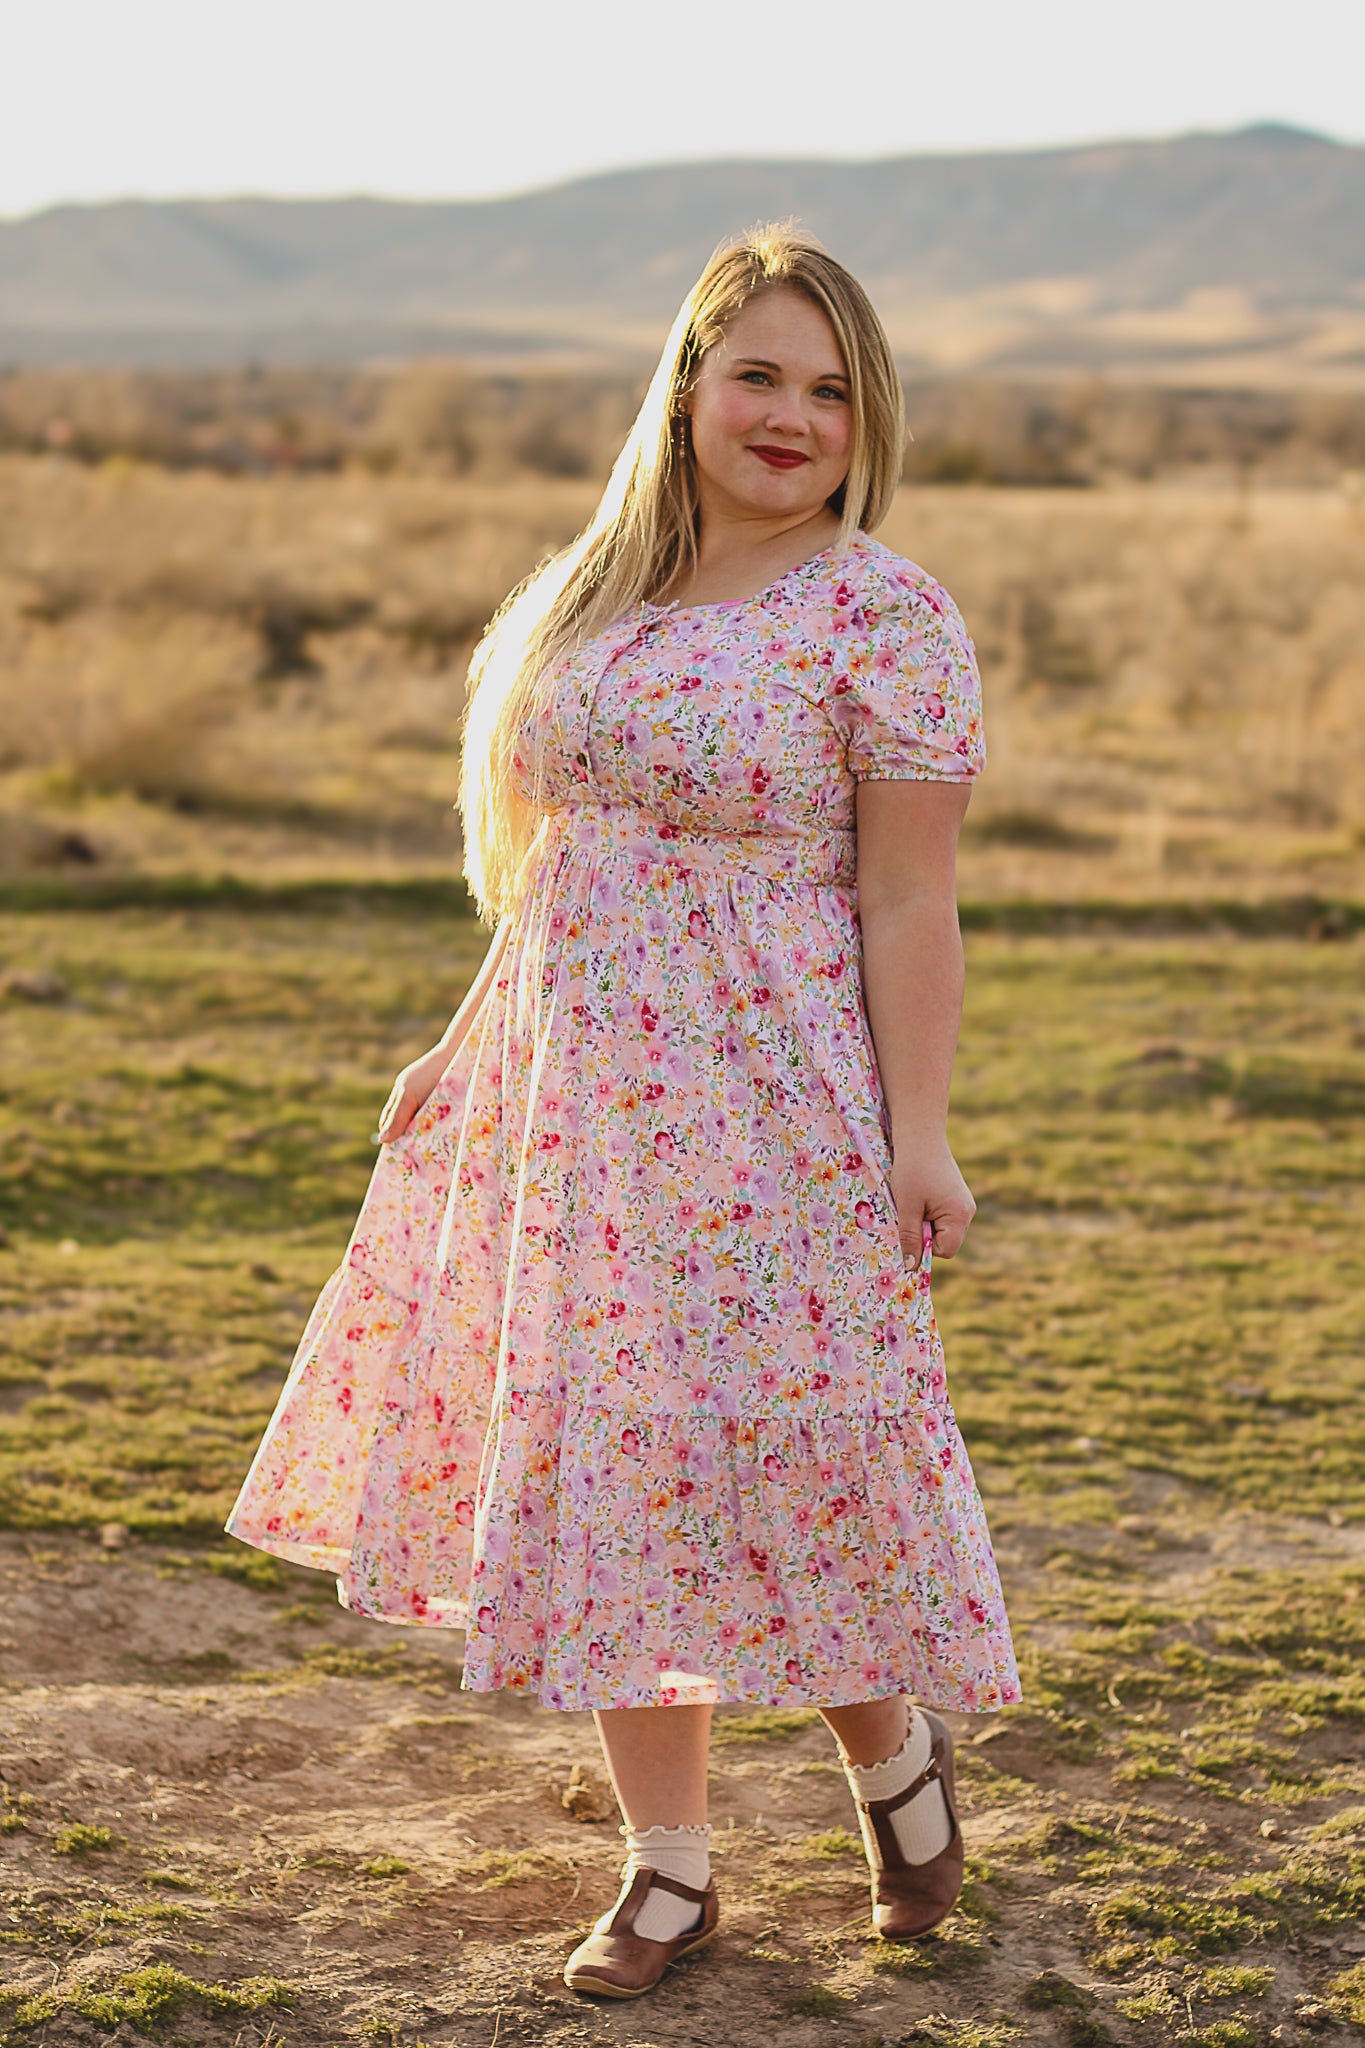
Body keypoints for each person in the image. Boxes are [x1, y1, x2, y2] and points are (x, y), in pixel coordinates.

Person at [226, 224, 1020, 2001]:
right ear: (687, 384)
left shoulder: (881, 614)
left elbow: (908, 899)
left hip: (776, 1097)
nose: (790, 417)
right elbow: (562, 868)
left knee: (781, 1456)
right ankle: (668, 1870)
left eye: (830, 390)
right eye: (757, 375)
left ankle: (890, 1768)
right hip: (574, 1101)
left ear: (862, 419)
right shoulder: (597, 595)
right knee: (605, 1462)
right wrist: (462, 1045)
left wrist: (919, 1132)